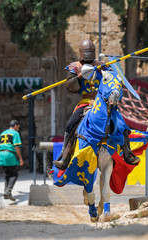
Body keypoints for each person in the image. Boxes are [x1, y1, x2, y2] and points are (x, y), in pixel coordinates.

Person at [53, 39, 139, 170]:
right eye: (86, 51)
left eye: (90, 51)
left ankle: (127, 153)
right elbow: (70, 86)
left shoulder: (103, 65)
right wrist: (79, 77)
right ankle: (64, 157)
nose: (88, 54)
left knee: (121, 122)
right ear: (81, 52)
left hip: (103, 101)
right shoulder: (74, 67)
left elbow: (114, 80)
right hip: (86, 101)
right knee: (71, 124)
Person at [0, 120, 24, 201]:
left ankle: (6, 193)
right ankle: (8, 191)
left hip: (1, 155)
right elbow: (16, 147)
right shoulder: (15, 133)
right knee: (14, 174)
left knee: (8, 174)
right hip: (9, 154)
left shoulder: (3, 133)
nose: (18, 128)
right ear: (15, 126)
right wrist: (20, 159)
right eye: (18, 126)